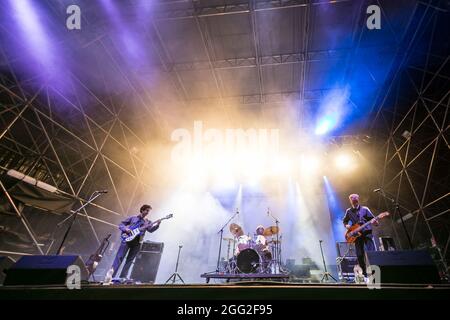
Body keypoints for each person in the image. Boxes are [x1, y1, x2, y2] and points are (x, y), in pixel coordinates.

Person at [109, 204, 161, 280]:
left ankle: (122, 277)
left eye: (148, 211)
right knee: (119, 257)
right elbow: (121, 224)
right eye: (146, 210)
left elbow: (150, 230)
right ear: (142, 210)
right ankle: (111, 276)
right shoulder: (133, 218)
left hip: (137, 242)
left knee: (130, 260)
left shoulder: (148, 222)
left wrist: (157, 225)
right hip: (127, 240)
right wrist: (125, 229)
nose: (147, 212)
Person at [343, 194, 378, 277]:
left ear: (358, 199)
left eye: (355, 198)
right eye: (352, 199)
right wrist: (347, 225)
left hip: (367, 233)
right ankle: (365, 273)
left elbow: (373, 219)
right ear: (350, 201)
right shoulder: (349, 211)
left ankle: (375, 272)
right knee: (359, 254)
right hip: (357, 235)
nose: (354, 200)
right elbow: (345, 221)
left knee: (371, 252)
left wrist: (375, 222)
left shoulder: (365, 209)